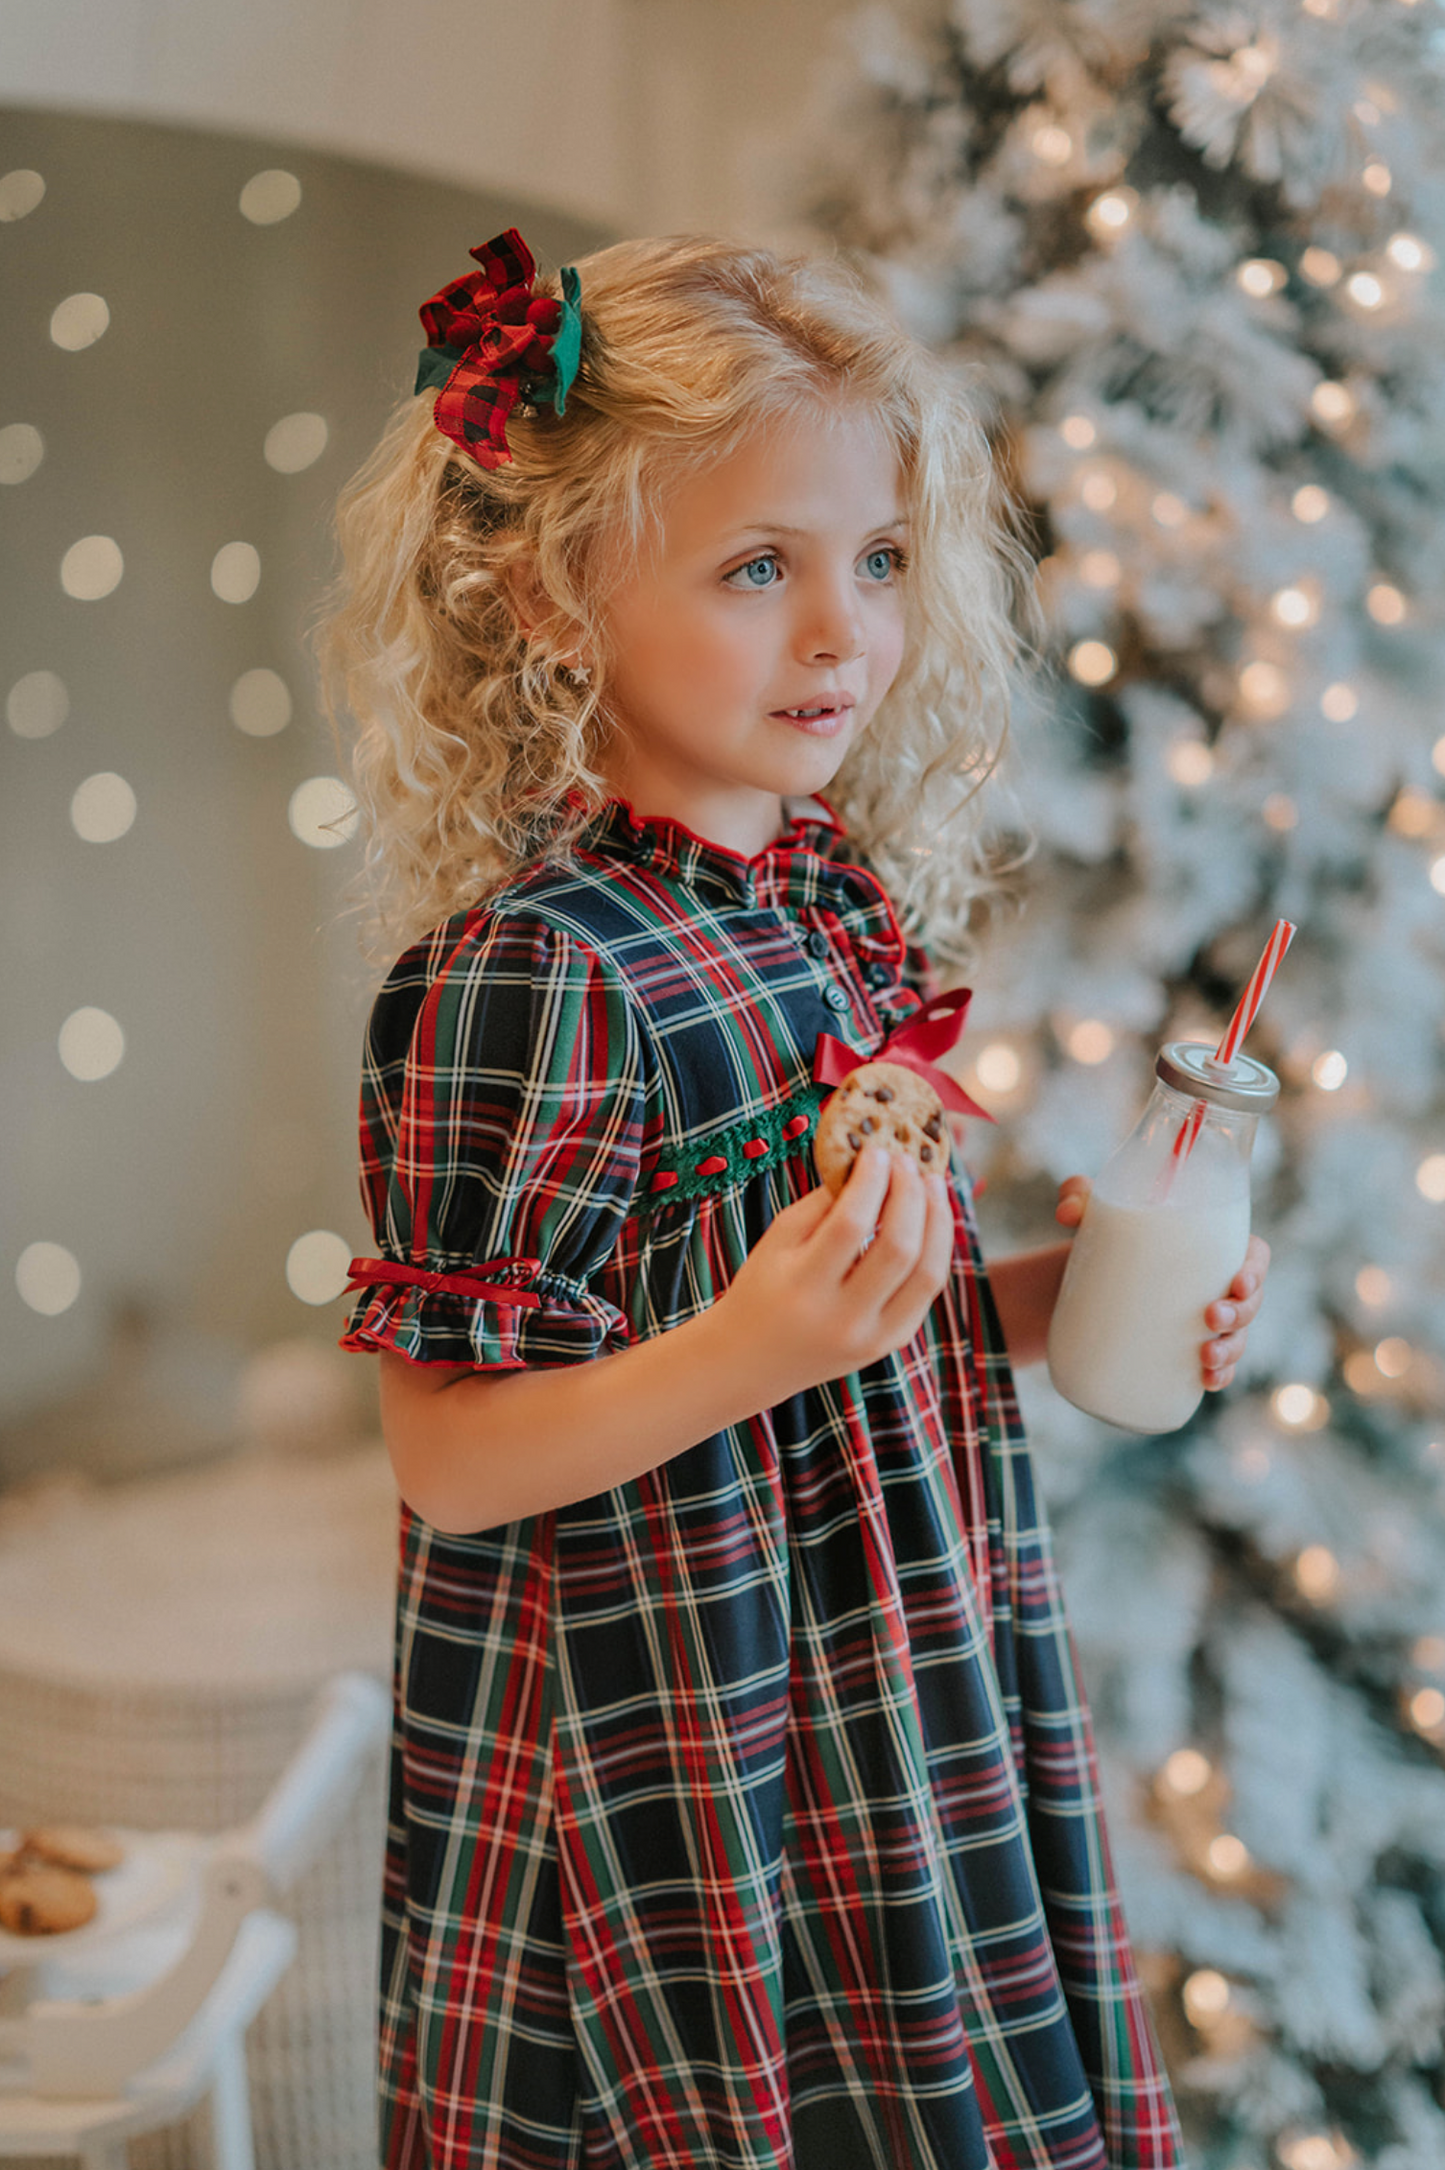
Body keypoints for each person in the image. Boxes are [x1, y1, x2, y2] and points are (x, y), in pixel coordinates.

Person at [322, 229, 1268, 2170]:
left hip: (885, 1672)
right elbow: (452, 1456)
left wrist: (1037, 1294)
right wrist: (761, 1341)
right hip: (677, 1728)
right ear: (552, 594)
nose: (841, 630)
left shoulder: (813, 905)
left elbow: (849, 1319)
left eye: (877, 558)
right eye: (758, 567)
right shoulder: (532, 974)